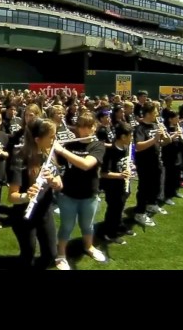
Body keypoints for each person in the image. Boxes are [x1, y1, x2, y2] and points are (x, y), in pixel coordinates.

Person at [54, 113, 107, 270]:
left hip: (89, 194)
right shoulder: (70, 145)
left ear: (94, 127)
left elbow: (86, 164)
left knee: (87, 225)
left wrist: (62, 151)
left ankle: (89, 247)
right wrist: (50, 148)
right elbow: (58, 164)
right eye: (82, 126)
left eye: (89, 126)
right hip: (68, 194)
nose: (86, 130)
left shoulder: (98, 146)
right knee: (67, 226)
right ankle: (61, 255)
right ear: (78, 128)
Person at [8, 118, 62, 269]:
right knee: (28, 255)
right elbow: (11, 196)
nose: (55, 140)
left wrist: (53, 181)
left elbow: (59, 184)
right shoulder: (20, 158)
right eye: (51, 137)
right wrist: (26, 196)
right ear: (38, 139)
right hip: (24, 216)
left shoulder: (49, 155)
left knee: (51, 254)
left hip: (45, 213)